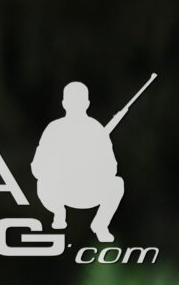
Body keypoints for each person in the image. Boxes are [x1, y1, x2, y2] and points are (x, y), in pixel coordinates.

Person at [34, 80, 129, 244]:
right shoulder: (54, 129)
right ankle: (58, 212)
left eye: (78, 101)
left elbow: (111, 167)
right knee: (43, 183)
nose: (75, 105)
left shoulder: (96, 129)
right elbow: (37, 167)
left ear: (87, 103)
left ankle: (100, 224)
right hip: (60, 190)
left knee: (117, 183)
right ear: (64, 103)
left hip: (88, 190)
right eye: (72, 101)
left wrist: (91, 166)